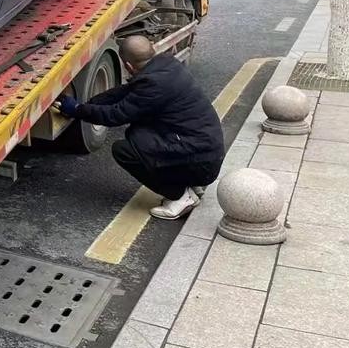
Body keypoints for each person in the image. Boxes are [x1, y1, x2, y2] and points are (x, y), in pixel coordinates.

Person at [55, 35, 224, 220]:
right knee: (138, 133)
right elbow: (125, 92)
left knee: (126, 151)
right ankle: (188, 182)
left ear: (128, 66)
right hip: (205, 149)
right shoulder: (167, 64)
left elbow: (115, 115)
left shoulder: (152, 85)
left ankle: (180, 196)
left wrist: (77, 110)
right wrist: (88, 104)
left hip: (202, 163)